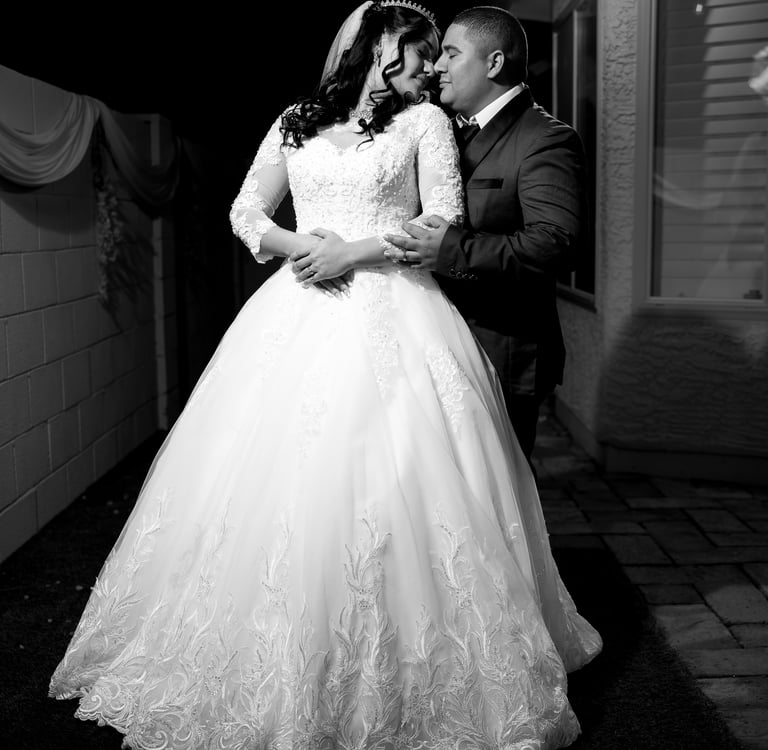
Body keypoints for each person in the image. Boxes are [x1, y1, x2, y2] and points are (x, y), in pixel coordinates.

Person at [49, 2, 601, 748]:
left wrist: (353, 252)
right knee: (276, 476)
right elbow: (247, 210)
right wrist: (299, 245)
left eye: (439, 53)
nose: (430, 66)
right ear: (380, 50)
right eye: (421, 50)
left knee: (398, 479)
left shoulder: (425, 123)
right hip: (298, 307)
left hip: (397, 306)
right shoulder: (295, 121)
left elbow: (441, 220)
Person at [383, 6, 590, 464]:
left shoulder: (544, 138)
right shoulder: (440, 131)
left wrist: (452, 249)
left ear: (494, 63)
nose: (436, 66)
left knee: (494, 488)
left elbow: (556, 243)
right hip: (432, 342)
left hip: (500, 351)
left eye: (451, 53)